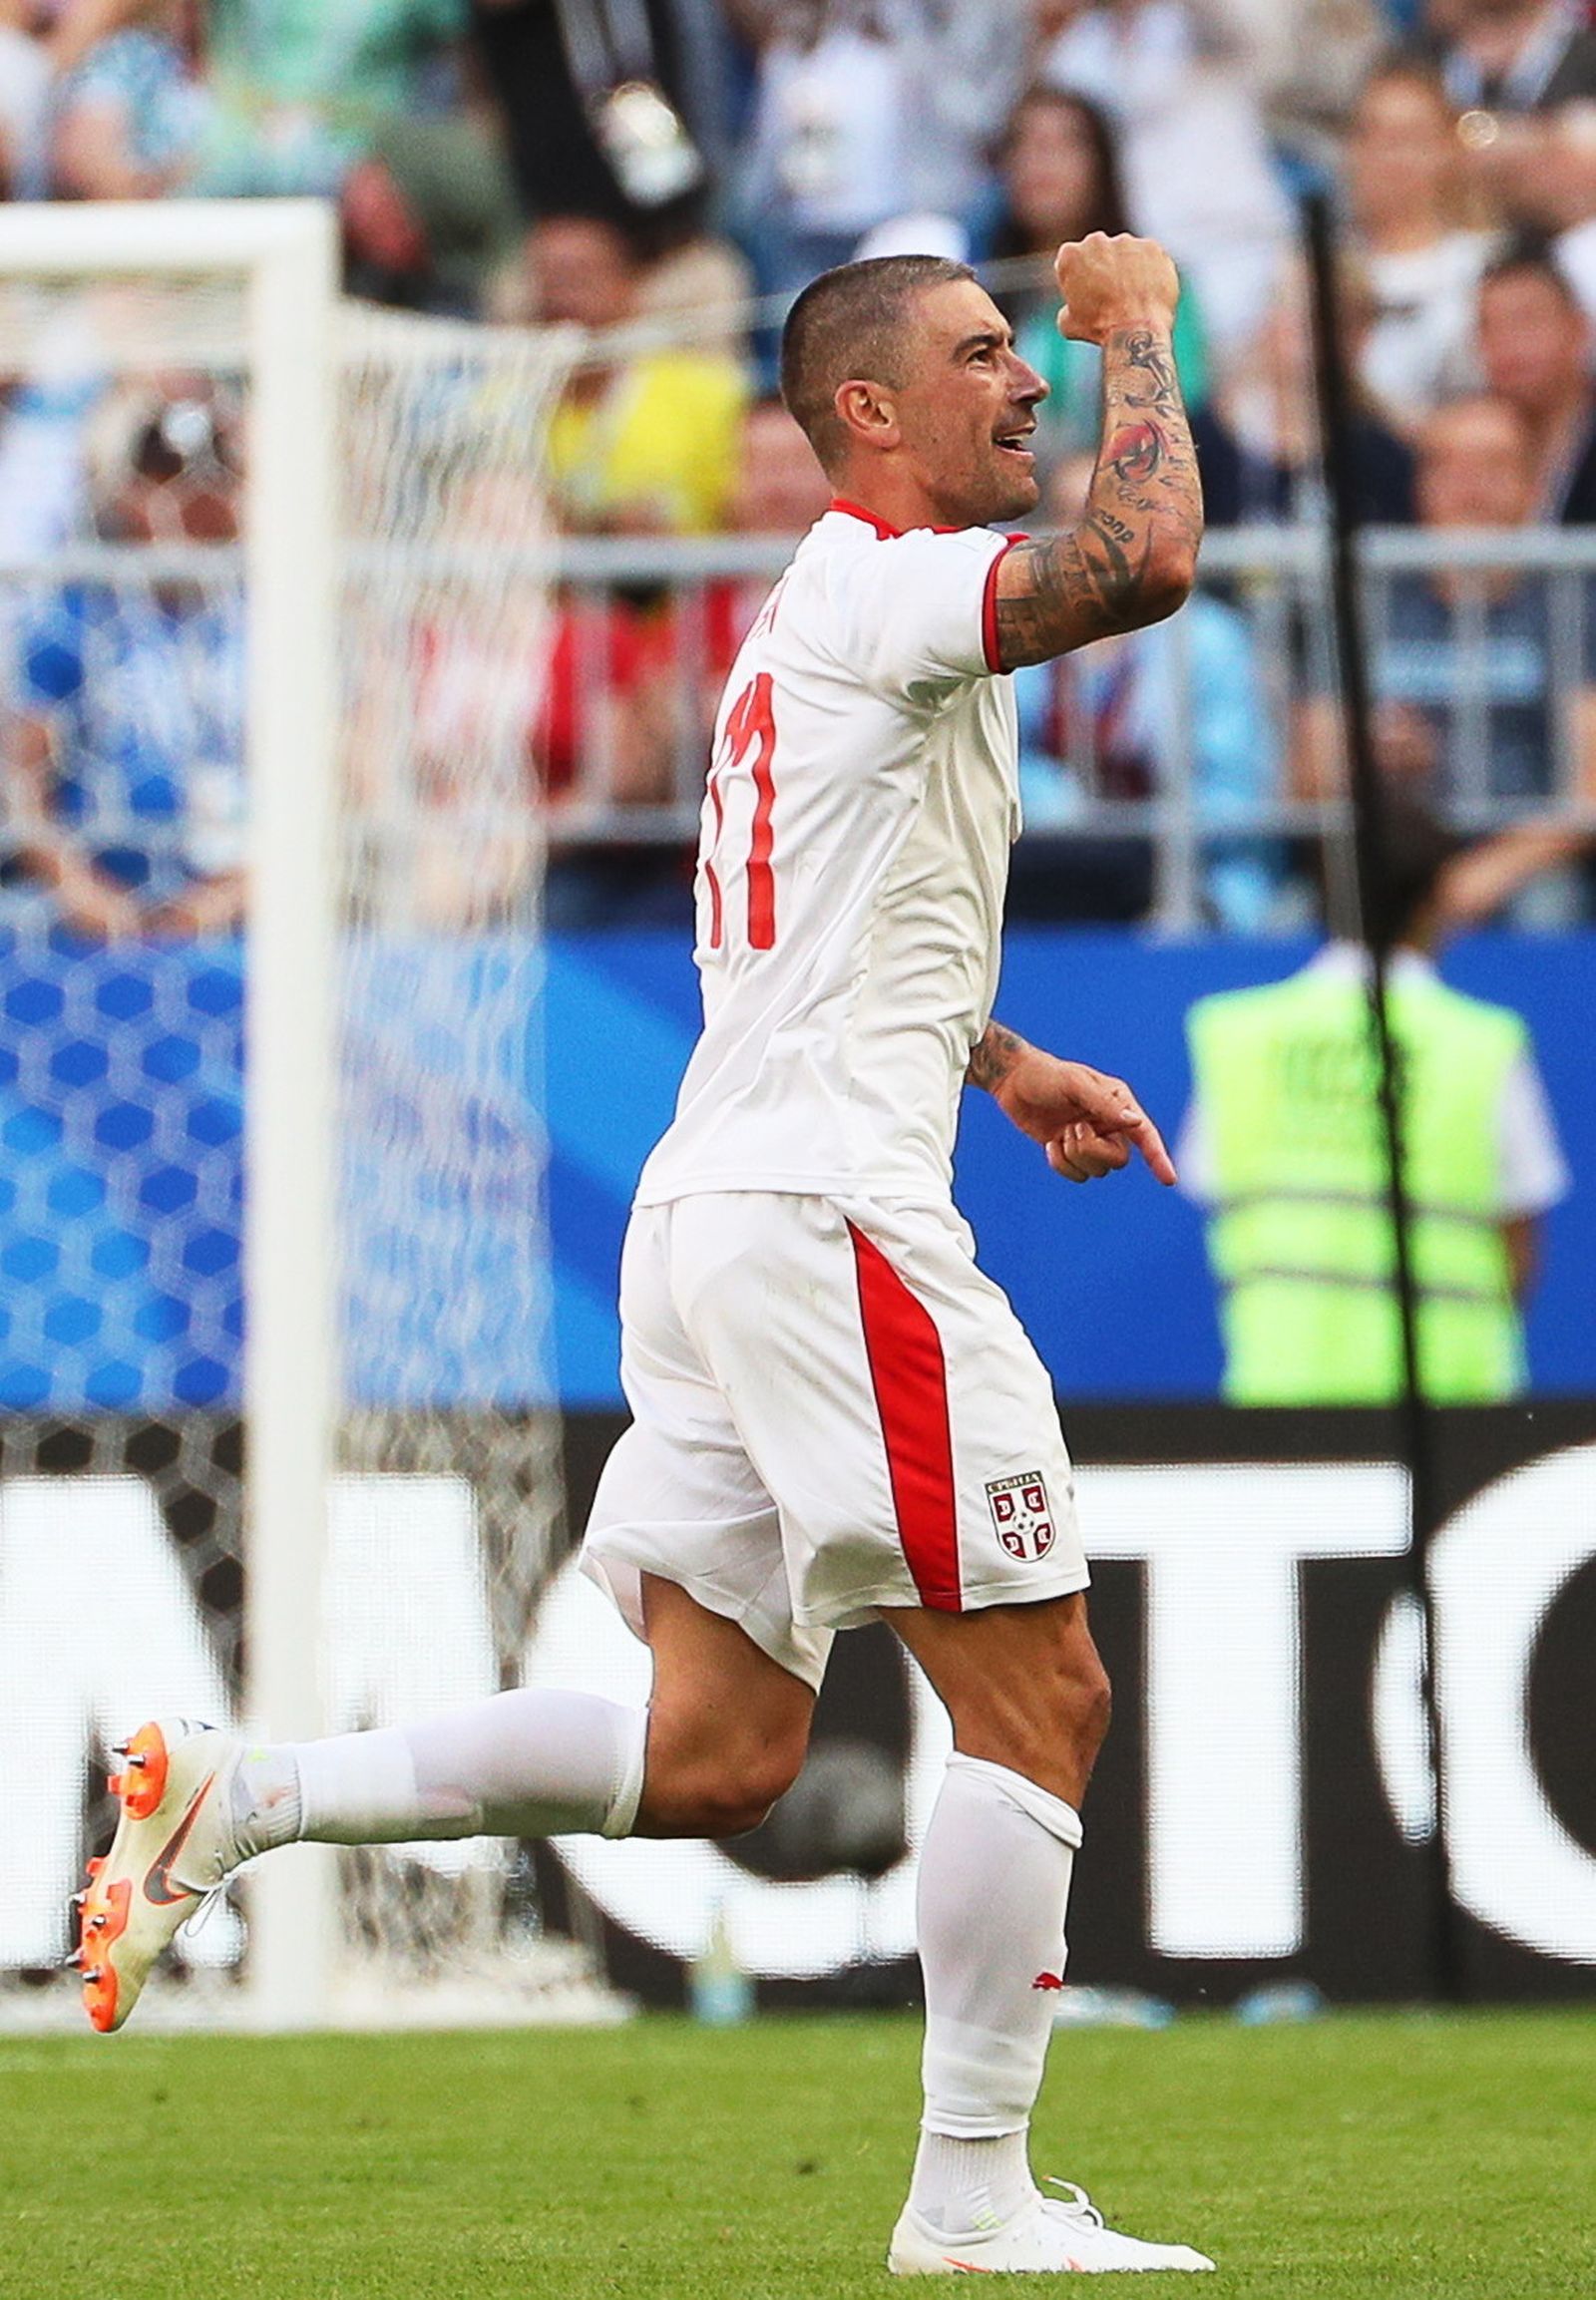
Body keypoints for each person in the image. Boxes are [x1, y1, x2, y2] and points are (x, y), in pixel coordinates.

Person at [76, 235, 1216, 2276]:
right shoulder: (875, 583)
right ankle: (967, 2201)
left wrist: (1005, 1054)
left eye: (1027, 350)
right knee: (1037, 1695)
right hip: (824, 1216)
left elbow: (825, 922)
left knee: (713, 1757)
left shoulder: (820, 631)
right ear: (866, 413)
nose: (1023, 382)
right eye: (981, 357)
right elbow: (1135, 564)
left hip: (721, 1208)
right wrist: (1134, 322)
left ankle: (245, 1797)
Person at [1178, 795, 1569, 1402]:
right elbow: (1520, 1237)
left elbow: (1214, 1192)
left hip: (1282, 1401)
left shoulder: (1238, 1036)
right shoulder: (1483, 1044)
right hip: (1454, 1406)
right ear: (1437, 896)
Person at [1293, 393, 1596, 809]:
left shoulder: (1572, 606)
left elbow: (1589, 789)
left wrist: (1480, 873)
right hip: (1393, 849)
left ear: (1534, 485)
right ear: (1418, 484)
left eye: (1494, 466)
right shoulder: (1366, 603)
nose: (1470, 488)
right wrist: (1366, 760)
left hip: (1524, 859)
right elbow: (1305, 785)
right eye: (1446, 465)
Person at [531, 212, 748, 536]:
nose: (563, 300)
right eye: (549, 281)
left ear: (629, 287)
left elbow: (756, 509)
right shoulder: (502, 402)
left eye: (581, 278)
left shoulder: (708, 391)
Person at [1343, 57, 1498, 427]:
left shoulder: (1485, 264)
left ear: (1449, 149)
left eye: (1411, 139)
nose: (1391, 158)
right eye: (1375, 136)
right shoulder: (1316, 267)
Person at [1475, 238, 1596, 520]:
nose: (1507, 343)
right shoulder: (1467, 443)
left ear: (1579, 329)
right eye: (1488, 326)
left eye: (1527, 322)